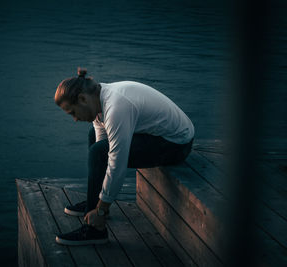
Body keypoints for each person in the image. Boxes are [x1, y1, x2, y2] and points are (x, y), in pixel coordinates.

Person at [54, 67, 195, 246]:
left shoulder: (116, 107)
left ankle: (95, 229)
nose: (74, 119)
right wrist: (101, 200)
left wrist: (102, 210)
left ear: (82, 99)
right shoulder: (98, 98)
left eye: (72, 112)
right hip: (159, 135)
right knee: (95, 142)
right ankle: (94, 202)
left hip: (177, 145)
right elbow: (101, 143)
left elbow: (116, 163)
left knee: (99, 153)